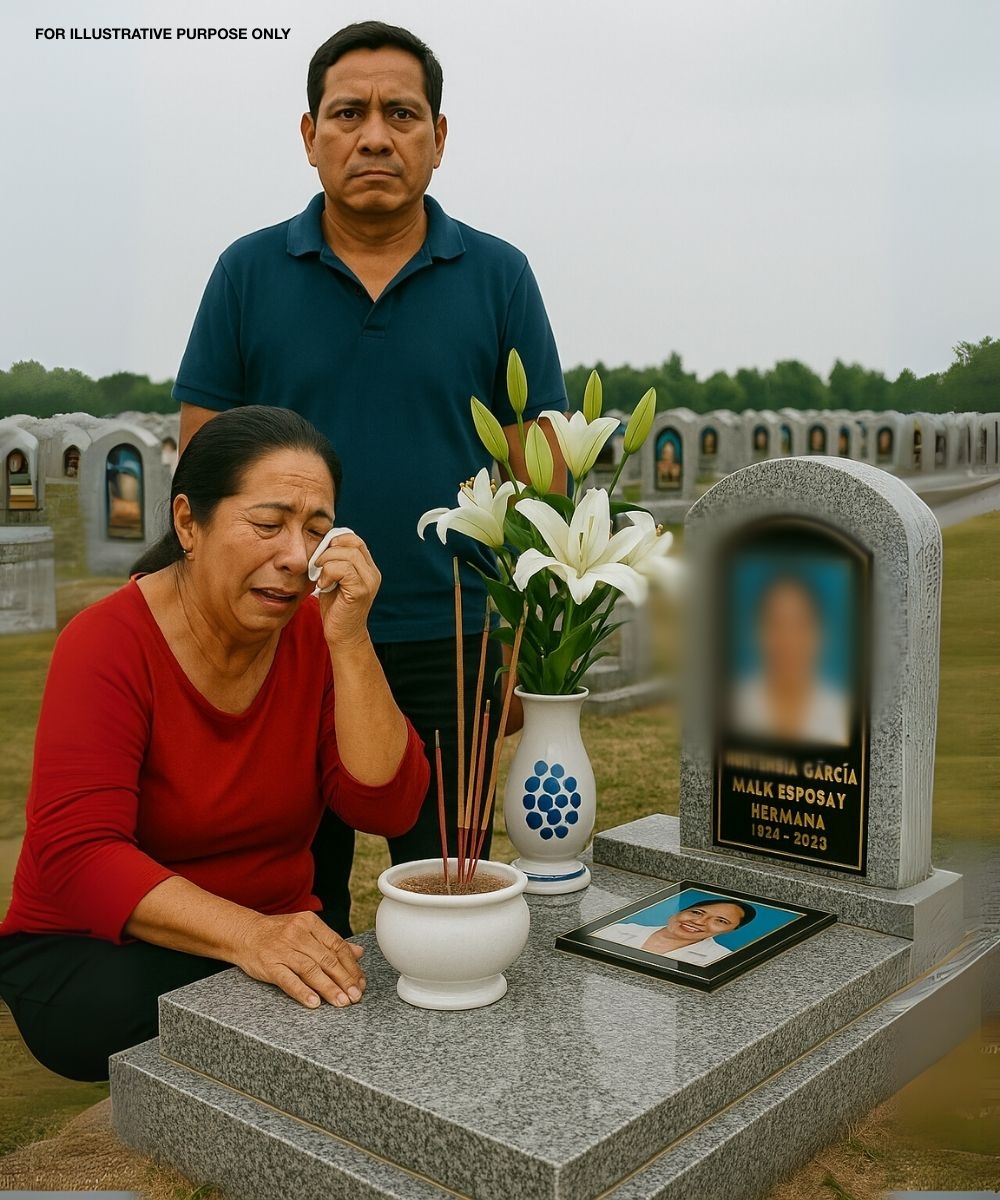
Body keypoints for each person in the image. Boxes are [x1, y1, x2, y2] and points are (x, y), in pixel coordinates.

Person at [172, 21, 568, 921]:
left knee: (450, 900)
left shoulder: (499, 276)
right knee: (292, 905)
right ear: (309, 135)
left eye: (402, 113)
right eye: (349, 114)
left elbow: (542, 481)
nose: (376, 137)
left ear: (439, 136)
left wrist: (524, 651)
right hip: (285, 635)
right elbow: (202, 475)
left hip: (451, 644)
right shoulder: (247, 273)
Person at [0, 408, 429, 1081]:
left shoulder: (314, 636)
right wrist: (250, 936)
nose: (296, 556)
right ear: (188, 523)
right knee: (113, 1010)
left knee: (321, 992)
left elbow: (388, 808)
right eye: (268, 524)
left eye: (316, 531)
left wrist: (349, 641)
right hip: (107, 945)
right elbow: (79, 856)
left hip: (269, 930)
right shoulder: (106, 643)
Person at [731, 575, 850, 746]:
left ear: (820, 635)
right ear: (756, 633)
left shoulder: (843, 715)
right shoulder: (734, 704)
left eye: (800, 625)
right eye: (775, 623)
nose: (787, 640)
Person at [597, 898, 756, 965]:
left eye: (720, 921)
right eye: (696, 912)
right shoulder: (619, 930)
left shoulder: (719, 959)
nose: (699, 922)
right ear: (679, 911)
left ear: (731, 930)